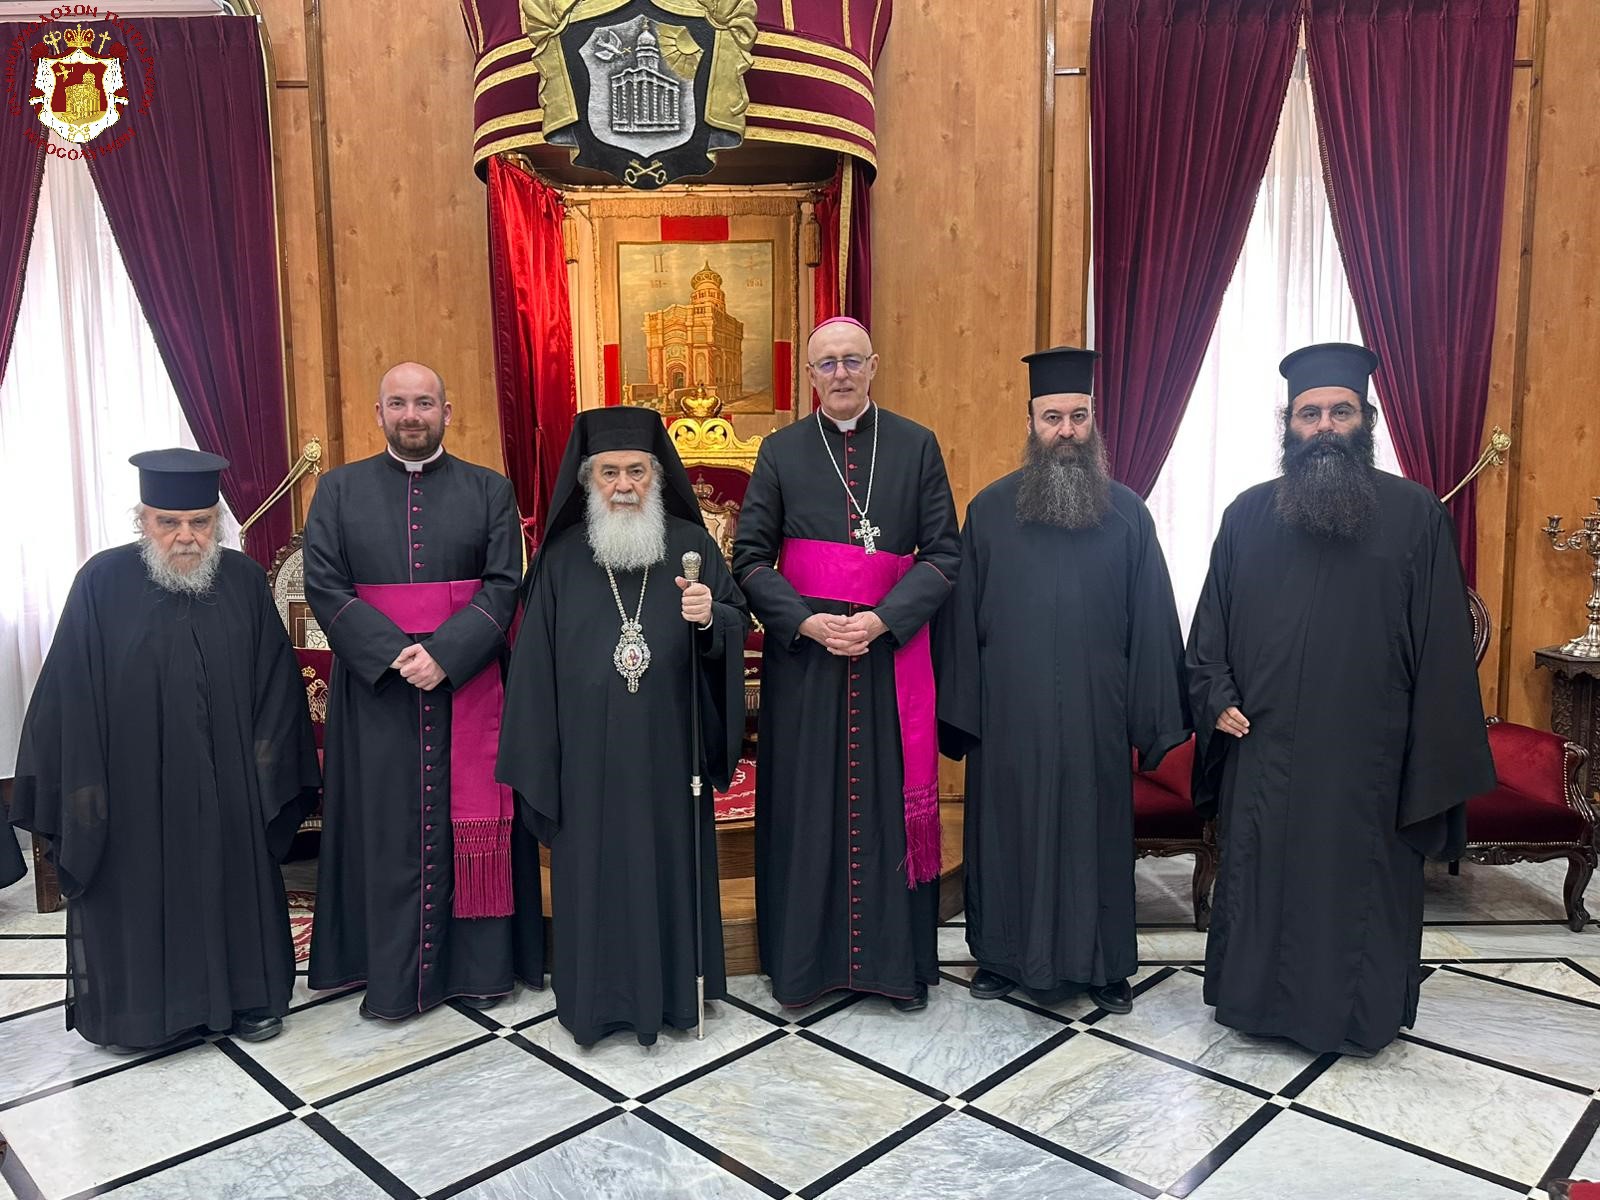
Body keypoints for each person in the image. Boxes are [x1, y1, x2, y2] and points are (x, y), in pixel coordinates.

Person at [1187, 342, 1494, 1055]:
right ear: (1288, 425)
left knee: (1356, 891)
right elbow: (1207, 635)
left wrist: (1424, 760)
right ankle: (1255, 1006)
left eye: (1340, 412)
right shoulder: (1246, 515)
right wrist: (1217, 694)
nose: (1324, 425)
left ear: (1366, 420)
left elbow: (1444, 652)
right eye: (1310, 413)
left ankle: (1356, 1018)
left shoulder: (1416, 515)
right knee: (1264, 881)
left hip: (1369, 763)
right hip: (1264, 752)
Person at [8, 449, 320, 1049]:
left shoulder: (242, 581)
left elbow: (276, 688)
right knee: (139, 887)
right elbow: (69, 692)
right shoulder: (101, 582)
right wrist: (86, 789)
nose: (185, 536)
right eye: (168, 522)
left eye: (199, 522)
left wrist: (263, 774)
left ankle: (248, 999)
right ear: (143, 521)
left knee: (233, 879)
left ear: (216, 523)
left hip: (227, 784)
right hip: (133, 789)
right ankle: (148, 1016)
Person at [937, 347, 1189, 1013]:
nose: (1067, 430)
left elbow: (1153, 622)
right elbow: (959, 623)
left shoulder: (1128, 515)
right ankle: (1000, 957)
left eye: (1079, 416)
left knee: (1094, 840)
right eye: (1053, 418)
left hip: (1095, 718)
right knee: (1006, 835)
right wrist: (965, 715)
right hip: (1008, 720)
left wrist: (1150, 719)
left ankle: (1104, 966)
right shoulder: (989, 512)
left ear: (1093, 421)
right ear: (1030, 422)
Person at [497, 406, 748, 1046]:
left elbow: (735, 623)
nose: (624, 485)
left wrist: (710, 617)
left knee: (668, 867)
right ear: (588, 480)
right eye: (609, 472)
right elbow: (532, 668)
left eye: (637, 470)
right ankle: (595, 1003)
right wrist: (543, 756)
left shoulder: (691, 547)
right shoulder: (559, 558)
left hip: (670, 752)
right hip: (584, 761)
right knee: (593, 875)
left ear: (657, 476)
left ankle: (674, 998)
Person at [732, 316, 960, 1012]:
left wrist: (883, 619)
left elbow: (944, 554)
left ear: (873, 366)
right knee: (808, 808)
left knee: (887, 806)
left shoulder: (916, 445)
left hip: (889, 659)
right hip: (808, 665)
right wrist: (805, 620)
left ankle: (894, 968)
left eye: (851, 360)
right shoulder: (780, 451)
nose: (839, 373)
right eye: (826, 363)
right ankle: (805, 969)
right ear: (810, 375)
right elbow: (749, 558)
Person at [303, 362, 541, 1019]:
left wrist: (445, 654)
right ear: (379, 413)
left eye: (425, 403)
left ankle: (478, 969)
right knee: (383, 827)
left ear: (447, 411)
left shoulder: (489, 489)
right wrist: (394, 654)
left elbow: (505, 584)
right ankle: (383, 969)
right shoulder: (338, 490)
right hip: (376, 691)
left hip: (468, 682)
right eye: (399, 403)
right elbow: (324, 585)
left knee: (470, 824)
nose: (412, 415)